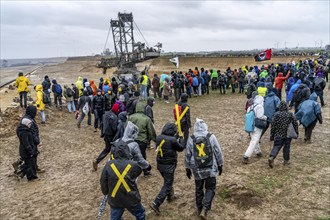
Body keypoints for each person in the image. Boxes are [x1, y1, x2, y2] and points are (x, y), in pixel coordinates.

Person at [185, 118, 224, 219]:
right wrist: (220, 164)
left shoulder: (191, 138)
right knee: (210, 187)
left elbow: (187, 154)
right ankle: (205, 208)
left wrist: (187, 167)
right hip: (210, 167)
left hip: (197, 168)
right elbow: (217, 151)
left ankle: (199, 208)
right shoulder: (211, 136)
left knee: (198, 188)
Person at [100, 140, 145, 220]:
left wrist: (106, 192)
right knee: (140, 214)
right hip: (131, 197)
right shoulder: (133, 165)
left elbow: (103, 181)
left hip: (115, 198)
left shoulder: (108, 165)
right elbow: (138, 172)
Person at [150, 123, 184, 215]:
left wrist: (176, 136)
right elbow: (180, 148)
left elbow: (170, 141)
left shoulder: (159, 137)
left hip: (160, 165)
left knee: (168, 181)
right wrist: (181, 138)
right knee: (168, 184)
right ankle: (156, 203)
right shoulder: (172, 140)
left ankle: (170, 196)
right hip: (169, 165)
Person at [127, 102, 156, 176]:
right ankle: (145, 171)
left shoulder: (130, 117)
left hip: (131, 140)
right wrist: (154, 140)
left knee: (131, 156)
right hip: (142, 140)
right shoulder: (146, 118)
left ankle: (131, 171)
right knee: (142, 156)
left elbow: (126, 129)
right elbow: (151, 131)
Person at [269, 101, 299, 168]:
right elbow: (295, 123)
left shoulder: (277, 114)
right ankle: (286, 160)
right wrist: (296, 132)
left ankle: (272, 157)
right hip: (288, 134)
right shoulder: (290, 114)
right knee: (287, 147)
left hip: (278, 134)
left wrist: (272, 135)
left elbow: (273, 125)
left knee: (276, 146)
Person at [93, 103, 119, 171]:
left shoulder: (105, 114)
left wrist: (102, 133)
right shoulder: (114, 117)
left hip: (105, 134)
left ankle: (97, 160)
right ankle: (113, 165)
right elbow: (114, 128)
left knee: (107, 149)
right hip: (111, 135)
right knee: (115, 150)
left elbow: (101, 124)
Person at [243, 95, 267, 163]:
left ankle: (258, 152)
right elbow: (260, 116)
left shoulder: (250, 106)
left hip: (250, 125)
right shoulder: (259, 107)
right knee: (254, 141)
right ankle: (246, 156)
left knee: (254, 139)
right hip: (256, 126)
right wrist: (265, 117)